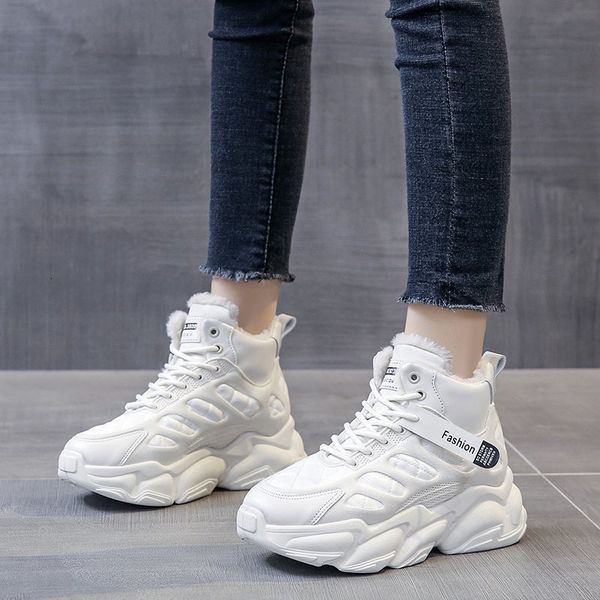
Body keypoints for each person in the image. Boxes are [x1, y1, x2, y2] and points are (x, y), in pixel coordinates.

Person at [58, 0, 526, 573]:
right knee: (254, 5)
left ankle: (446, 411)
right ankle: (234, 370)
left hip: (453, 436)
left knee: (438, 2)